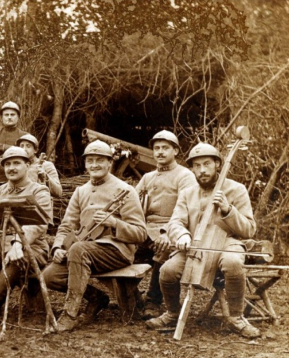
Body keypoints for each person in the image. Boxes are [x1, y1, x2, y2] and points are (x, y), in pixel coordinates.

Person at [145, 142, 260, 338]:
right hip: (195, 246)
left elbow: (249, 229)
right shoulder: (188, 193)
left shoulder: (236, 189)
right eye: (197, 166)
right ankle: (173, 313)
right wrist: (181, 234)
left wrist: (228, 210)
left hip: (227, 242)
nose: (202, 170)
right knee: (167, 271)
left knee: (233, 262)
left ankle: (236, 317)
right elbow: (176, 222)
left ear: (218, 164)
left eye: (207, 164)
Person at [43, 140, 147, 332]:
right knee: (50, 276)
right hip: (82, 250)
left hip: (116, 252)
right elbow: (67, 225)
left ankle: (70, 314)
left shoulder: (125, 190)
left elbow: (140, 233)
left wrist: (115, 224)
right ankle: (97, 298)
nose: (95, 165)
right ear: (85, 164)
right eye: (90, 160)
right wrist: (58, 247)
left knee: (79, 250)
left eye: (100, 160)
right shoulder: (80, 191)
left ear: (110, 163)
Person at [0, 147, 53, 328]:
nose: (11, 168)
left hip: (32, 249)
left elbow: (38, 225)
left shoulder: (39, 191)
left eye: (16, 163)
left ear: (27, 165)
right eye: (7, 164)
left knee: (16, 255)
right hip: (0, 245)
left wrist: (18, 244)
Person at [134, 130, 196, 318]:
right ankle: (132, 298)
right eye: (156, 148)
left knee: (164, 248)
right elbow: (134, 205)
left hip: (172, 229)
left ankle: (153, 301)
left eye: (165, 148)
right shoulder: (147, 177)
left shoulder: (184, 176)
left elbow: (186, 210)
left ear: (175, 151)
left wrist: (166, 232)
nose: (160, 152)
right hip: (145, 229)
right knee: (122, 248)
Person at [16, 133, 62, 198]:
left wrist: (45, 177)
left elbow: (59, 192)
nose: (24, 149)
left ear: (35, 150)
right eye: (21, 146)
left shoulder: (47, 165)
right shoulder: (16, 166)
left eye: (28, 146)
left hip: (41, 203)